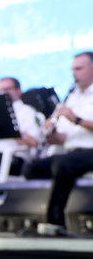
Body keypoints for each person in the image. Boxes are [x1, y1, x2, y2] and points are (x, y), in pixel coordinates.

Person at [24, 52, 93, 234]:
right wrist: (51, 133)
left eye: (79, 68)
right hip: (72, 152)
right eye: (72, 69)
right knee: (31, 169)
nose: (74, 74)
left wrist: (76, 119)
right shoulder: (72, 96)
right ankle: (64, 207)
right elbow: (63, 138)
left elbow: (77, 122)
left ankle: (55, 220)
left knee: (62, 164)